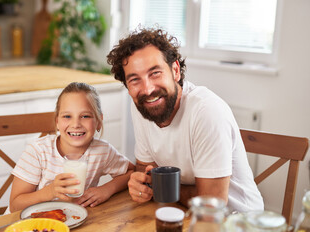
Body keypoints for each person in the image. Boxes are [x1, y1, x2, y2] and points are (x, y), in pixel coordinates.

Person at [107, 28, 263, 212]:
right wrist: (139, 184)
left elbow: (211, 204)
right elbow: (145, 170)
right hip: (180, 211)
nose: (148, 89)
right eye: (135, 80)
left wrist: (158, 187)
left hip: (237, 225)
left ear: (175, 71)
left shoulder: (207, 111)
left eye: (155, 73)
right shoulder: (143, 105)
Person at [9, 82, 134, 212]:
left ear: (98, 121)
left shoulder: (102, 151)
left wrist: (106, 189)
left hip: (73, 220)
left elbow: (132, 172)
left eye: (85, 116)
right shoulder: (38, 151)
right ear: (57, 121)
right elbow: (15, 206)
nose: (76, 124)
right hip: (32, 224)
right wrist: (50, 191)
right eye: (67, 116)